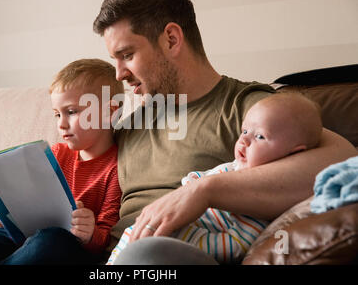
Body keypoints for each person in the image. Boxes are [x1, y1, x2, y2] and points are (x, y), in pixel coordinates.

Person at [91, 0, 356, 264]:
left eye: (127, 55)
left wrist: (204, 190)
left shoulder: (250, 108)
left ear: (171, 39)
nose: (118, 74)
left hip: (171, 254)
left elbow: (342, 161)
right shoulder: (131, 122)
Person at [0, 59, 124, 264]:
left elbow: (108, 238)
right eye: (57, 114)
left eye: (71, 112)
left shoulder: (117, 167)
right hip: (23, 236)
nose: (61, 124)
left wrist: (91, 234)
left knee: (50, 241)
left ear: (110, 112)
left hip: (65, 247)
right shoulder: (56, 153)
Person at [107, 93, 323, 264]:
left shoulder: (261, 200)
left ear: (294, 153)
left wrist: (186, 234)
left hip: (178, 246)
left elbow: (236, 244)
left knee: (144, 250)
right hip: (139, 236)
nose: (244, 141)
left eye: (259, 136)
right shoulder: (234, 166)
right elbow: (199, 180)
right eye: (244, 131)